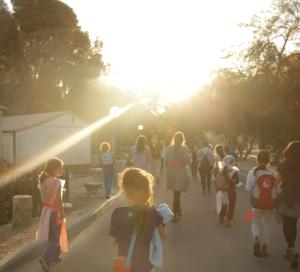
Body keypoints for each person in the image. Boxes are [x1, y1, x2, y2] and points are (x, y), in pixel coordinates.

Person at [109, 168, 165, 272]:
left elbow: (111, 242)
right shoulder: (153, 212)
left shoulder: (118, 213)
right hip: (146, 266)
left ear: (125, 191)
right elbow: (163, 234)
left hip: (125, 266)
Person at [36, 158, 68, 272]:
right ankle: (46, 258)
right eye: (60, 168)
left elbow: (45, 198)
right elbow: (58, 200)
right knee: (55, 237)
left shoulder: (44, 181)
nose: (62, 170)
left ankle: (55, 257)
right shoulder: (57, 182)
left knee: (52, 235)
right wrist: (62, 212)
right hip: (55, 212)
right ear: (54, 168)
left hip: (46, 212)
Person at [246, 150, 278, 258]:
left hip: (256, 203)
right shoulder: (273, 172)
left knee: (255, 222)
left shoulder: (252, 172)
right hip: (270, 204)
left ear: (257, 159)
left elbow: (248, 188)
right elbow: (277, 188)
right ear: (269, 160)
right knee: (267, 224)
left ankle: (256, 239)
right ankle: (265, 245)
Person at [277, 141, 300, 269]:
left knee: (289, 224)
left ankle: (291, 248)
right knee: (294, 223)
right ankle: (291, 249)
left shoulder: (284, 164)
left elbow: (277, 181)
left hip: (288, 198)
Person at [165, 131, 190, 222]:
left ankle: (178, 209)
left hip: (171, 172)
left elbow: (166, 161)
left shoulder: (168, 148)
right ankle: (175, 213)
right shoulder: (184, 148)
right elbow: (186, 161)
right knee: (177, 193)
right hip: (180, 172)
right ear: (182, 139)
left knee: (175, 192)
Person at [218, 155, 239, 226]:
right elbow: (236, 182)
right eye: (233, 161)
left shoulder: (222, 170)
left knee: (224, 204)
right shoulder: (234, 170)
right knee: (231, 205)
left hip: (223, 189)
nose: (235, 162)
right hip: (231, 189)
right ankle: (229, 221)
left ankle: (221, 218)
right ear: (230, 162)